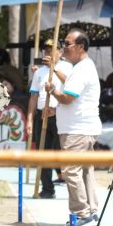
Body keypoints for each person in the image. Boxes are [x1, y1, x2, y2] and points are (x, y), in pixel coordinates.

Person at [45, 29, 102, 226]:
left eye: (67, 44)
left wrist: (53, 91)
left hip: (77, 130)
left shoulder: (82, 69)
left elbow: (68, 98)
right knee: (84, 170)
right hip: (81, 127)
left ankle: (81, 212)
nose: (63, 47)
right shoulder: (80, 67)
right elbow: (71, 96)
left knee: (70, 170)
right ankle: (91, 211)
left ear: (80, 47)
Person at [27, 39, 72, 198]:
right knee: (43, 152)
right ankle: (47, 188)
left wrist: (54, 68)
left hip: (62, 115)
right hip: (43, 115)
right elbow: (33, 96)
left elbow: (72, 88)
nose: (48, 52)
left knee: (63, 151)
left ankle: (71, 186)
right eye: (46, 49)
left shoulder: (68, 67)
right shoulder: (39, 72)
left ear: (60, 52)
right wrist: (30, 119)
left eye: (52, 49)